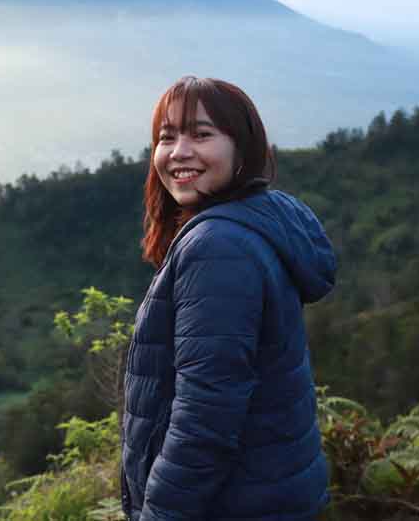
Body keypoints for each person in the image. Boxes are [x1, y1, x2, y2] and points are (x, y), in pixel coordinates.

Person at [121, 76, 335, 521]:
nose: (179, 152)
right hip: (268, 495)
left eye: (201, 134)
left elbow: (205, 419)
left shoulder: (219, 247)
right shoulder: (258, 222)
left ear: (243, 149)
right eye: (167, 137)